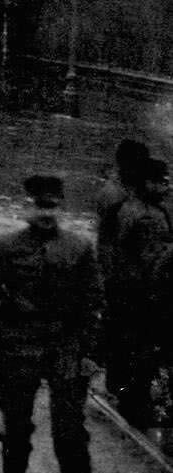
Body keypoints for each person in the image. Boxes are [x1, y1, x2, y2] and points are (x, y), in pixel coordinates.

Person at [0, 175, 103, 473]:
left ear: (61, 208)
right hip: (18, 349)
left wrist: (86, 351)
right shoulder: (7, 246)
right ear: (28, 207)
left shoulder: (79, 247)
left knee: (70, 433)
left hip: (64, 348)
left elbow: (93, 300)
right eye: (40, 206)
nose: (46, 213)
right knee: (15, 432)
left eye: (52, 206)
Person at [106, 157, 173, 434]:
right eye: (160, 181)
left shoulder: (145, 210)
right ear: (145, 182)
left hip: (142, 290)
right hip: (140, 292)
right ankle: (132, 401)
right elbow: (137, 257)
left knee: (137, 347)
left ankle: (128, 394)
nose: (165, 185)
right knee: (140, 349)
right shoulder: (140, 213)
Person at [94, 138, 147, 395]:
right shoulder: (113, 194)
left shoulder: (129, 189)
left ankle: (122, 381)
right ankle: (115, 385)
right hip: (117, 271)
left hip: (132, 271)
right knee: (118, 328)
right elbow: (107, 240)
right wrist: (107, 276)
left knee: (130, 329)